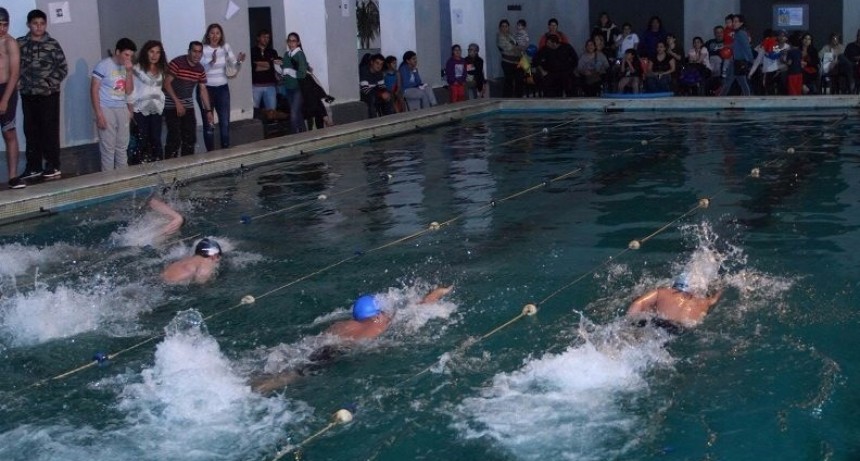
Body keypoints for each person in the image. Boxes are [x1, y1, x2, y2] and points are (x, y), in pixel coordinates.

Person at [251, 285, 453, 393]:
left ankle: (252, 382)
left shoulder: (341, 325)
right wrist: (438, 292)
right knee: (294, 374)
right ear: (376, 314)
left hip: (320, 343)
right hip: (334, 352)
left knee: (293, 362)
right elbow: (420, 307)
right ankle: (261, 388)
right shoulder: (380, 323)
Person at [17, 8, 67, 183]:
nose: (38, 27)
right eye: (35, 24)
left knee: (49, 131)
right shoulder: (21, 44)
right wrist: (17, 81)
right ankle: (34, 166)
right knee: (31, 131)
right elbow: (14, 66)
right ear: (29, 25)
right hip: (28, 94)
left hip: (48, 95)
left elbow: (62, 68)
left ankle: (53, 164)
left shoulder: (52, 44)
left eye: (42, 24)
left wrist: (48, 83)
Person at [91, 37, 136, 171]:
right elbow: (94, 89)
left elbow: (128, 90)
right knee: (108, 148)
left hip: (121, 107)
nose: (128, 59)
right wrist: (99, 114)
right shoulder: (103, 65)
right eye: (126, 55)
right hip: (106, 107)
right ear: (117, 52)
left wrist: (129, 72)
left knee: (122, 146)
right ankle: (108, 181)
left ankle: (124, 180)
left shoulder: (127, 68)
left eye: (131, 56)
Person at [163, 41, 213, 158]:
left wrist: (208, 110)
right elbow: (166, 84)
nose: (197, 55)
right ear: (189, 52)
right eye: (194, 51)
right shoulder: (177, 63)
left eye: (200, 52)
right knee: (175, 138)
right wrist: (177, 102)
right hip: (172, 104)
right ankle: (170, 165)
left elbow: (203, 90)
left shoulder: (200, 68)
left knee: (190, 137)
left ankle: (187, 164)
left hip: (188, 105)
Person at [199, 24, 244, 151]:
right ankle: (210, 152)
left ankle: (226, 149)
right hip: (206, 89)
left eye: (217, 33)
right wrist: (211, 62)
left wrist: (239, 61)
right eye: (212, 33)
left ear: (221, 35)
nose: (215, 36)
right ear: (208, 34)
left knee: (224, 121)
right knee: (209, 123)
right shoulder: (202, 49)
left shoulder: (225, 47)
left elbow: (234, 65)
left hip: (222, 88)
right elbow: (200, 70)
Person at [626, 274, 722, 330]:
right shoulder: (704, 302)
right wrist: (720, 289)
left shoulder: (663, 292)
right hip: (680, 329)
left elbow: (638, 303)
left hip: (658, 323)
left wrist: (628, 320)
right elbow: (714, 299)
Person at [127, 40, 167, 163]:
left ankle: (159, 166)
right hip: (140, 110)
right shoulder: (136, 69)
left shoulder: (161, 70)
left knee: (156, 139)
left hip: (156, 110)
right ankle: (138, 169)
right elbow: (130, 90)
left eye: (157, 52)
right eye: (151, 52)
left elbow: (160, 89)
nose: (154, 55)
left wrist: (161, 103)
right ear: (146, 52)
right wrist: (130, 109)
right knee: (141, 140)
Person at [0, 8, 20, 189]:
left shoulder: (10, 43)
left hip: (7, 89)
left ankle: (13, 176)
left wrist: (5, 99)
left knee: (9, 133)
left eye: (5, 25)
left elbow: (14, 74)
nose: (2, 29)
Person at [274, 32, 306, 134]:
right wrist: (279, 65)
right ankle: (304, 134)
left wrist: (287, 70)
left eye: (293, 41)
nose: (291, 43)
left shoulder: (300, 54)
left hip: (298, 88)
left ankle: (294, 137)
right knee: (297, 113)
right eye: (289, 41)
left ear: (298, 42)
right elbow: (284, 71)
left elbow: (302, 74)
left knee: (293, 114)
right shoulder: (286, 54)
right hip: (288, 88)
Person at [250, 29, 281, 120]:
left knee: (272, 113)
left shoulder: (273, 52)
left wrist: (259, 63)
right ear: (258, 38)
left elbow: (272, 66)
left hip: (270, 86)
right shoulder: (252, 51)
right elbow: (254, 68)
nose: (266, 39)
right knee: (254, 112)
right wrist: (267, 65)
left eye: (268, 37)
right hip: (256, 86)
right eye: (264, 37)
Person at [719, 14, 752, 96]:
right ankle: (719, 100)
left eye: (736, 21)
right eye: (733, 21)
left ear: (741, 23)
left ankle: (719, 101)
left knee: (735, 83)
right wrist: (724, 46)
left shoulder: (741, 33)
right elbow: (735, 45)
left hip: (739, 62)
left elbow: (747, 47)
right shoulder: (738, 33)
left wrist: (751, 60)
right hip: (736, 62)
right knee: (735, 82)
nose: (734, 23)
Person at [359, 53, 393, 117]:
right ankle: (373, 121)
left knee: (388, 95)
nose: (379, 66)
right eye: (377, 63)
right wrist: (380, 94)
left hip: (374, 91)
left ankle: (388, 118)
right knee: (372, 98)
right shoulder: (364, 70)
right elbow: (365, 90)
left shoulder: (379, 73)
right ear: (372, 62)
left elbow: (382, 86)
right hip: (363, 93)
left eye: (381, 64)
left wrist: (385, 93)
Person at [497, 19, 522, 98]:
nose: (504, 28)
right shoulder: (499, 37)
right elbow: (510, 47)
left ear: (508, 27)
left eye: (506, 26)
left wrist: (518, 47)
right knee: (509, 82)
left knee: (519, 81)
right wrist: (518, 47)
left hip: (517, 62)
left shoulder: (511, 35)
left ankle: (519, 99)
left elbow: (518, 45)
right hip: (507, 62)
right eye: (503, 26)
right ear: (500, 28)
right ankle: (506, 100)